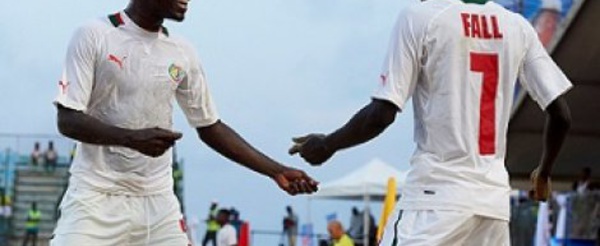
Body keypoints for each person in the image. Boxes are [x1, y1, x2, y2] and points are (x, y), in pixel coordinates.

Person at [289, 0, 572, 244]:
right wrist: (544, 172)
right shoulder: (517, 27)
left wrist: (327, 144)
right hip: (492, 205)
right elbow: (561, 115)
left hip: (435, 200)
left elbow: (381, 115)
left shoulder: (420, 17)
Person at [51, 0, 318, 244]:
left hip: (158, 202)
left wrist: (275, 170)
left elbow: (210, 127)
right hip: (95, 197)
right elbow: (68, 119)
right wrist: (131, 138)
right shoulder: (93, 34)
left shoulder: (182, 52)